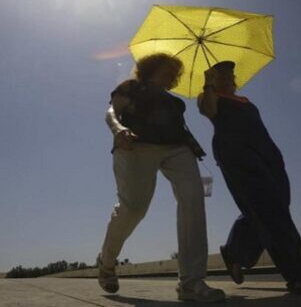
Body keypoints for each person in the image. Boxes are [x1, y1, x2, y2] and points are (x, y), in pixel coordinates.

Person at [97, 53, 226, 302]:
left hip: (177, 149)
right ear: (152, 68)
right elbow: (111, 111)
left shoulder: (174, 101)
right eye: (170, 69)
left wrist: (209, 83)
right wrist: (119, 129)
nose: (174, 75)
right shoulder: (132, 87)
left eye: (176, 72)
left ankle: (191, 281)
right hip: (136, 145)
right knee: (133, 209)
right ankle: (107, 262)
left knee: (193, 198)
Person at [197, 61, 301, 295]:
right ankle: (299, 275)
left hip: (267, 154)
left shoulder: (245, 101)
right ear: (213, 77)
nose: (228, 77)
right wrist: (208, 83)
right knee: (272, 211)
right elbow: (207, 111)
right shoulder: (209, 96)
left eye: (230, 73)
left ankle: (235, 251)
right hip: (237, 153)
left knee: (272, 206)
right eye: (221, 74)